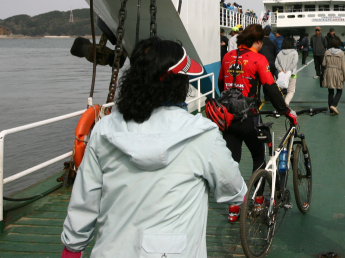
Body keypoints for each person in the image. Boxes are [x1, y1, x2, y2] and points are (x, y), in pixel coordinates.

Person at [60, 38, 247, 258]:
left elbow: (85, 200)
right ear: (179, 83)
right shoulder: (201, 133)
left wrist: (72, 248)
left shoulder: (104, 130)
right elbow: (234, 190)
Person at [218, 24, 297, 222]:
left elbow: (221, 84)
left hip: (227, 118)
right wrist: (285, 111)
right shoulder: (258, 59)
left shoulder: (227, 57)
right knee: (259, 158)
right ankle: (259, 200)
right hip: (250, 117)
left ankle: (234, 208)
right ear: (258, 41)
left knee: (232, 162)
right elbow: (270, 88)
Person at [322, 37, 345, 115]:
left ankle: (331, 111)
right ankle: (334, 105)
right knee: (339, 90)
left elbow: (323, 64)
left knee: (330, 91)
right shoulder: (341, 53)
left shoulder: (327, 52)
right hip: (337, 73)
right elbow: (343, 67)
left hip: (328, 72)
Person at [275, 37, 299, 105]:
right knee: (291, 91)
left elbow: (276, 63)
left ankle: (283, 104)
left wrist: (281, 70)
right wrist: (288, 70)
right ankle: (286, 104)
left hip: (282, 75)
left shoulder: (280, 53)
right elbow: (294, 62)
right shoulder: (294, 52)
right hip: (292, 74)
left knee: (282, 90)